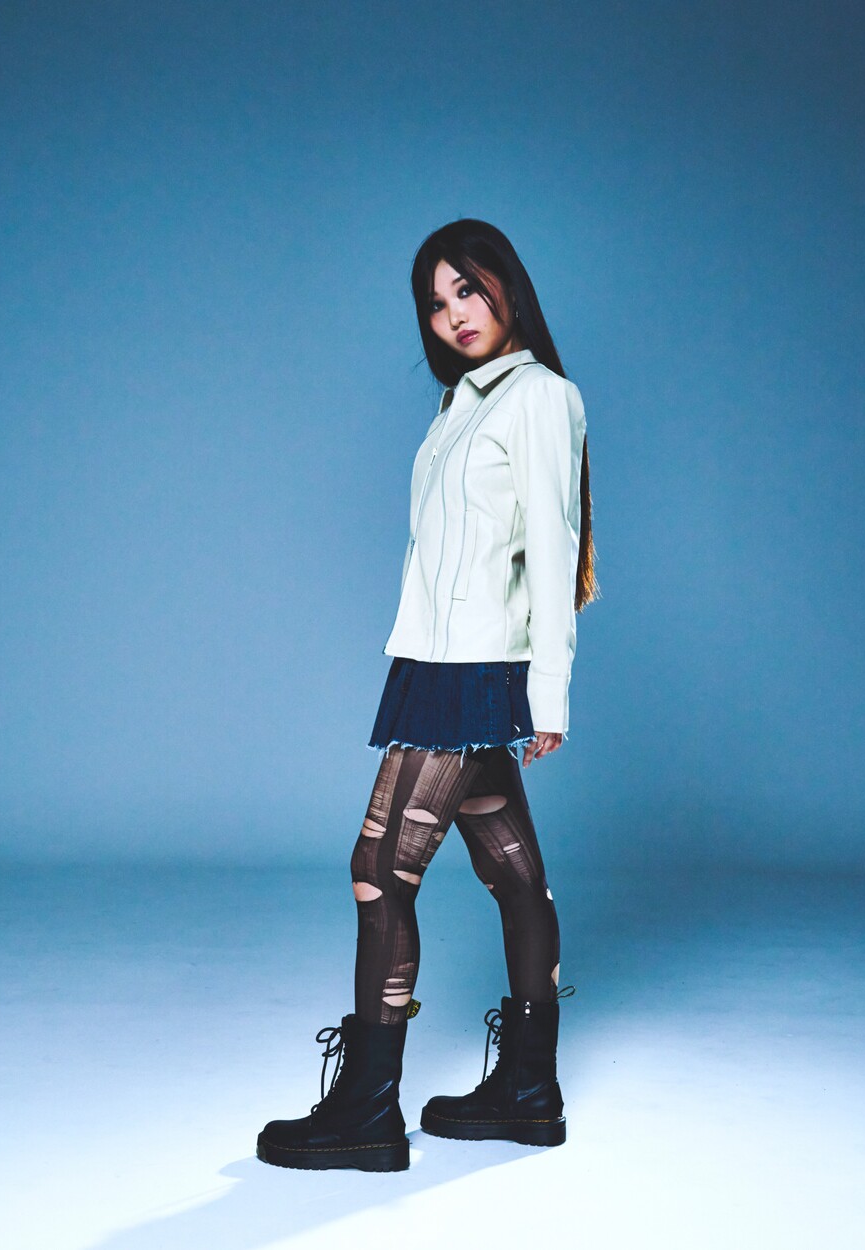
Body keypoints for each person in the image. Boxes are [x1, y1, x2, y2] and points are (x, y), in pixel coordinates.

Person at [256, 219, 598, 1173]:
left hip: (469, 674)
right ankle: (529, 1091)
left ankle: (367, 1110)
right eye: (437, 302)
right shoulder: (458, 406)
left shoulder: (540, 397)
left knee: (379, 871)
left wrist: (548, 695)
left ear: (508, 288)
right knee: (515, 878)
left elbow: (556, 548)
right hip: (436, 664)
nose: (454, 315)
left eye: (469, 290)